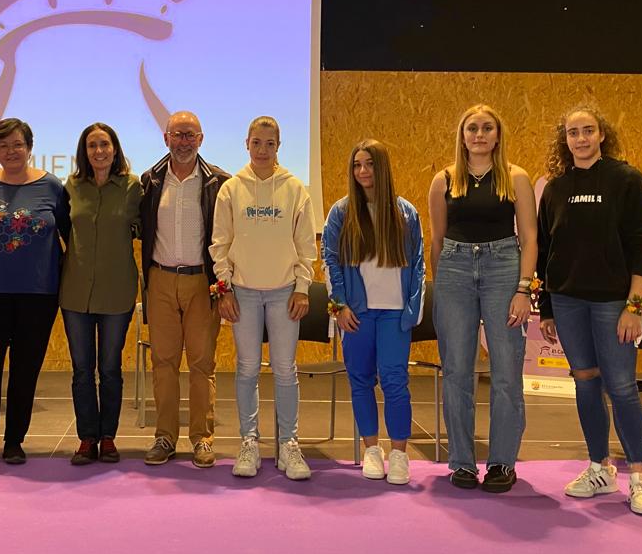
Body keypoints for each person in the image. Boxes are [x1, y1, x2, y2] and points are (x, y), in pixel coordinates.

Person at [537, 105, 642, 516]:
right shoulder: (555, 189)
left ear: (602, 135)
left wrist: (634, 306)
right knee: (586, 382)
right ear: (565, 140)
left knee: (622, 387)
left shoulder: (628, 180)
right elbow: (546, 253)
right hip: (568, 303)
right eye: (573, 133)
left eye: (588, 130)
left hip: (614, 304)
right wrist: (548, 309)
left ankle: (639, 477)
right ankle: (599, 468)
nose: (581, 139)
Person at [427, 104, 536, 493]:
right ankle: (462, 463)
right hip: (454, 271)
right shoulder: (444, 180)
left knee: (506, 371)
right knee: (457, 371)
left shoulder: (516, 178)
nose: (479, 134)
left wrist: (523, 288)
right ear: (462, 135)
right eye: (472, 128)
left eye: (487, 128)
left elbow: (530, 238)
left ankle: (502, 462)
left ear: (498, 134)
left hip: (503, 269)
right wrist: (442, 286)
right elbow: (437, 240)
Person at [0, 118, 70, 473]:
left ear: (29, 147)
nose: (11, 151)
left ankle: (14, 442)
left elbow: (71, 237)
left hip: (38, 295)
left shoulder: (52, 187)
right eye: (3, 145)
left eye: (18, 144)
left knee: (26, 370)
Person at [210, 115, 316, 481]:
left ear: (278, 147)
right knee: (247, 368)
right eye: (256, 142)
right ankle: (249, 443)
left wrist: (302, 287)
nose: (262, 150)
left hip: (285, 291)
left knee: (285, 369)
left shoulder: (295, 188)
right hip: (243, 293)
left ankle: (289, 445)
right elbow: (219, 244)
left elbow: (306, 246)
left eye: (270, 144)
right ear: (247, 144)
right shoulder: (231, 190)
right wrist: (224, 289)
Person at [322, 140, 425, 484]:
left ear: (382, 167)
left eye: (369, 164)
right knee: (360, 380)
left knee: (395, 381)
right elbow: (330, 261)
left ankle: (399, 454)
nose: (363, 171)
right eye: (357, 165)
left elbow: (419, 263)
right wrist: (339, 306)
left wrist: (412, 310)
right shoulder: (341, 212)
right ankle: (371, 450)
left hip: (395, 314)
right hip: (357, 315)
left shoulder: (406, 213)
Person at [139, 111, 231, 468]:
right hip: (160, 280)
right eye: (177, 135)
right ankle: (164, 437)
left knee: (201, 364)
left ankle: (202, 438)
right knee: (162, 362)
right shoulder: (149, 181)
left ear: (201, 139)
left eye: (190, 135)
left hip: (201, 283)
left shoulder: (218, 183)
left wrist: (224, 286)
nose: (183, 142)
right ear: (166, 139)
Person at [60, 123, 142, 465]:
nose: (99, 151)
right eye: (92, 145)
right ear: (84, 151)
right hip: (75, 292)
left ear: (115, 148)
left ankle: (107, 437)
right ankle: (86, 438)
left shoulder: (133, 187)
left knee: (109, 368)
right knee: (82, 369)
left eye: (104, 144)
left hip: (117, 292)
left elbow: (146, 229)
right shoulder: (71, 187)